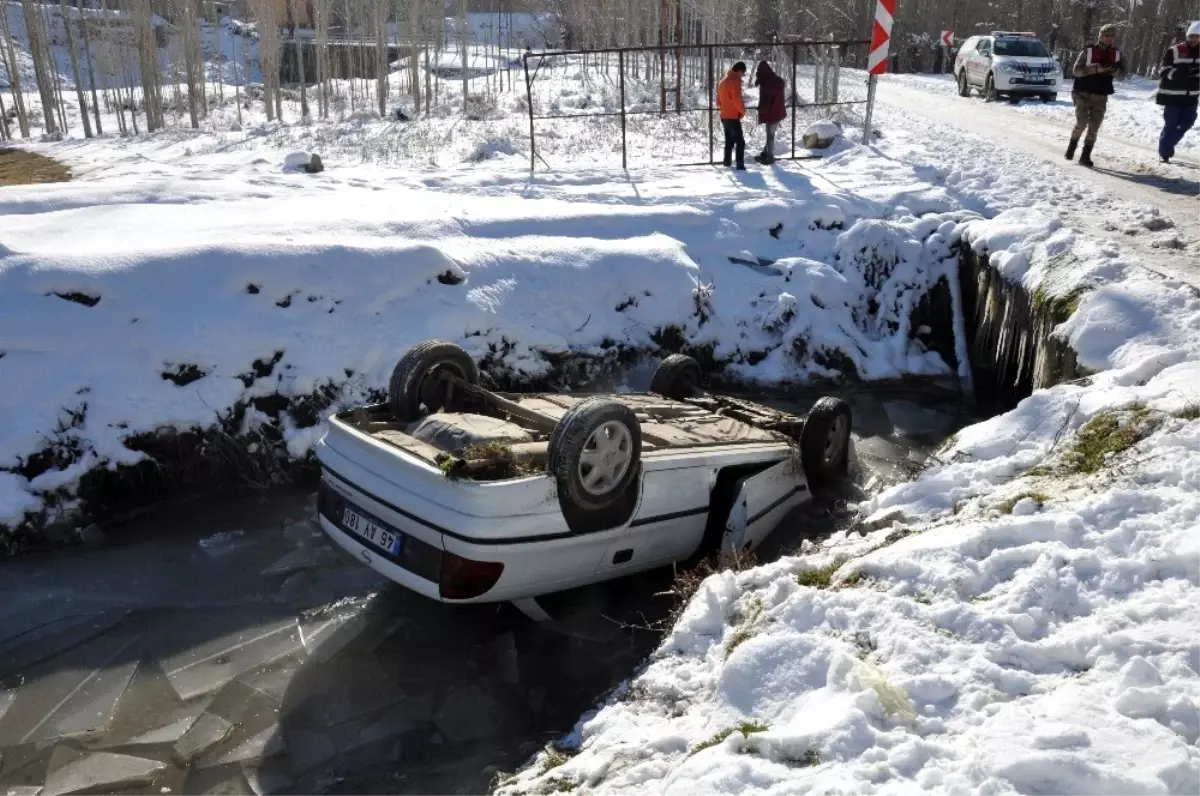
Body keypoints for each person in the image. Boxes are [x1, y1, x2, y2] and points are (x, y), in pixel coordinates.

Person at [1066, 23, 1126, 168]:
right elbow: (1076, 71)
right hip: (1082, 93)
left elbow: (1123, 75)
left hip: (1101, 95)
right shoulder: (1089, 51)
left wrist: (1114, 71)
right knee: (1081, 123)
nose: (1109, 38)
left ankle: (1085, 156)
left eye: (1112, 36)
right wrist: (1095, 70)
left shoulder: (1118, 54)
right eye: (1106, 35)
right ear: (1100, 35)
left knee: (1094, 127)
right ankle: (1072, 146)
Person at [1156, 21, 1200, 164]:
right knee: (1171, 124)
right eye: (1192, 35)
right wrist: (1181, 74)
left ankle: (1167, 144)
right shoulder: (1175, 50)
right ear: (1188, 36)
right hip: (1172, 96)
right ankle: (1165, 152)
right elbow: (1163, 70)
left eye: (1198, 36)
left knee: (1187, 122)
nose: (1195, 39)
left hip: (1191, 97)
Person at [753, 61, 786, 165]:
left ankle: (769, 156)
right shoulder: (778, 81)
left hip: (770, 113)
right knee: (770, 135)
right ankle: (766, 153)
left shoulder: (765, 84)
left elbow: (764, 103)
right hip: (778, 112)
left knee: (770, 136)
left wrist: (761, 114)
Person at [717, 62, 747, 170]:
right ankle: (740, 165)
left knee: (729, 140)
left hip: (724, 114)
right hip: (733, 115)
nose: (742, 76)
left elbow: (718, 100)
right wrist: (743, 111)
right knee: (740, 142)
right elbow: (737, 99)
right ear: (739, 70)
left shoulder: (723, 81)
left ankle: (727, 162)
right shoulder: (735, 81)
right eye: (743, 73)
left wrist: (723, 108)